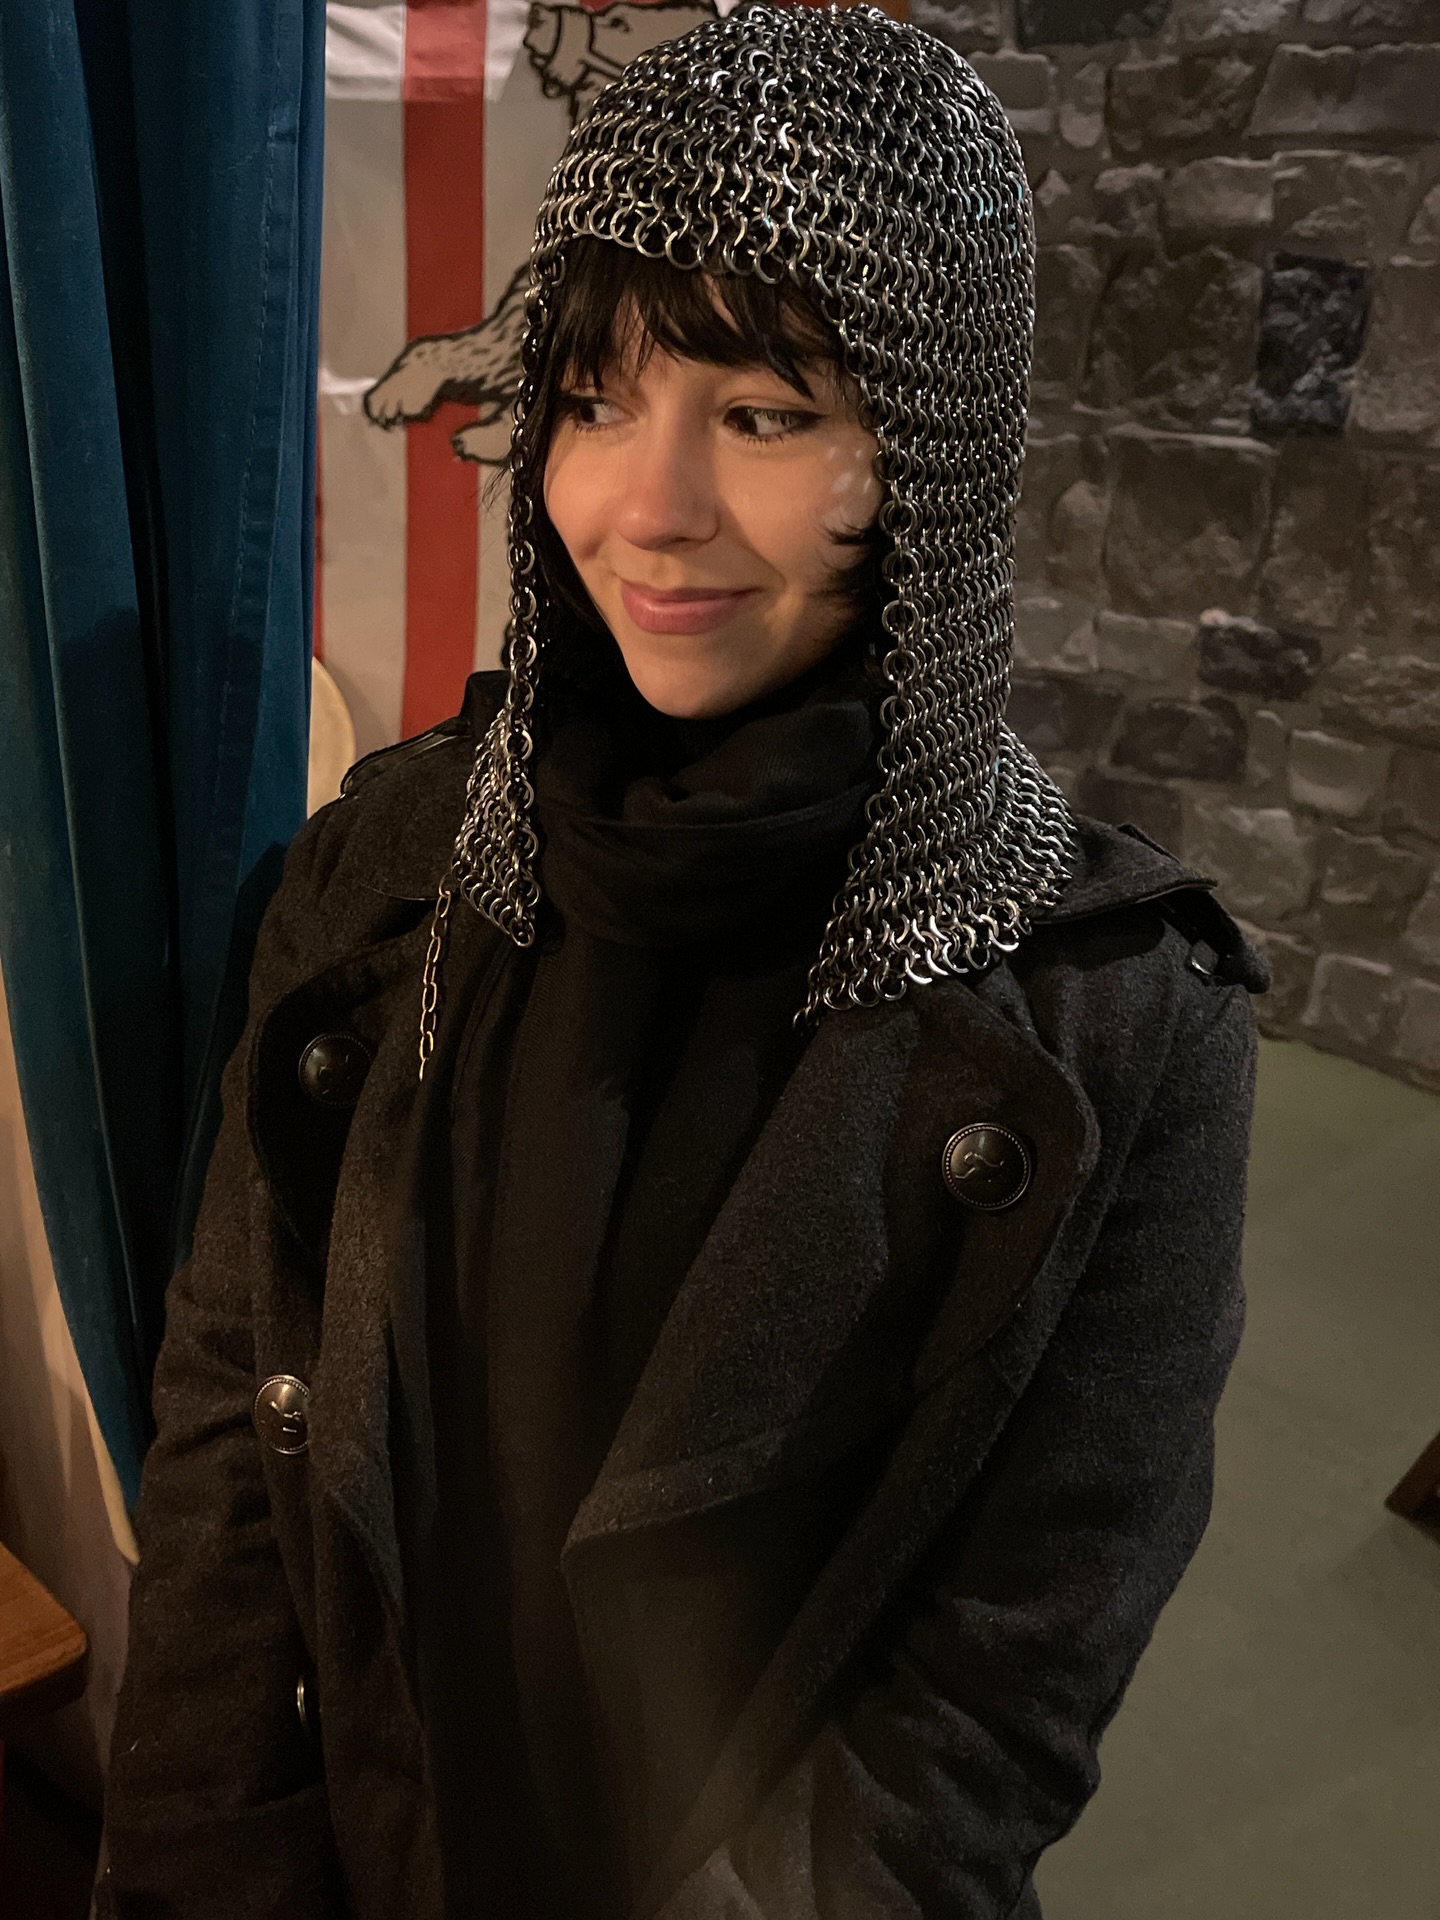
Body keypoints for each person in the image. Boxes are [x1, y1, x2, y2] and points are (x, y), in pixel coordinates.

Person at [101, 7, 1267, 1917]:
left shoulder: (1119, 1023)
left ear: (928, 450)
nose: (646, 507)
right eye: (592, 399)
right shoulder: (381, 874)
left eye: (763, 413)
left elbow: (1000, 1688)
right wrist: (204, 1871)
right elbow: (240, 1414)